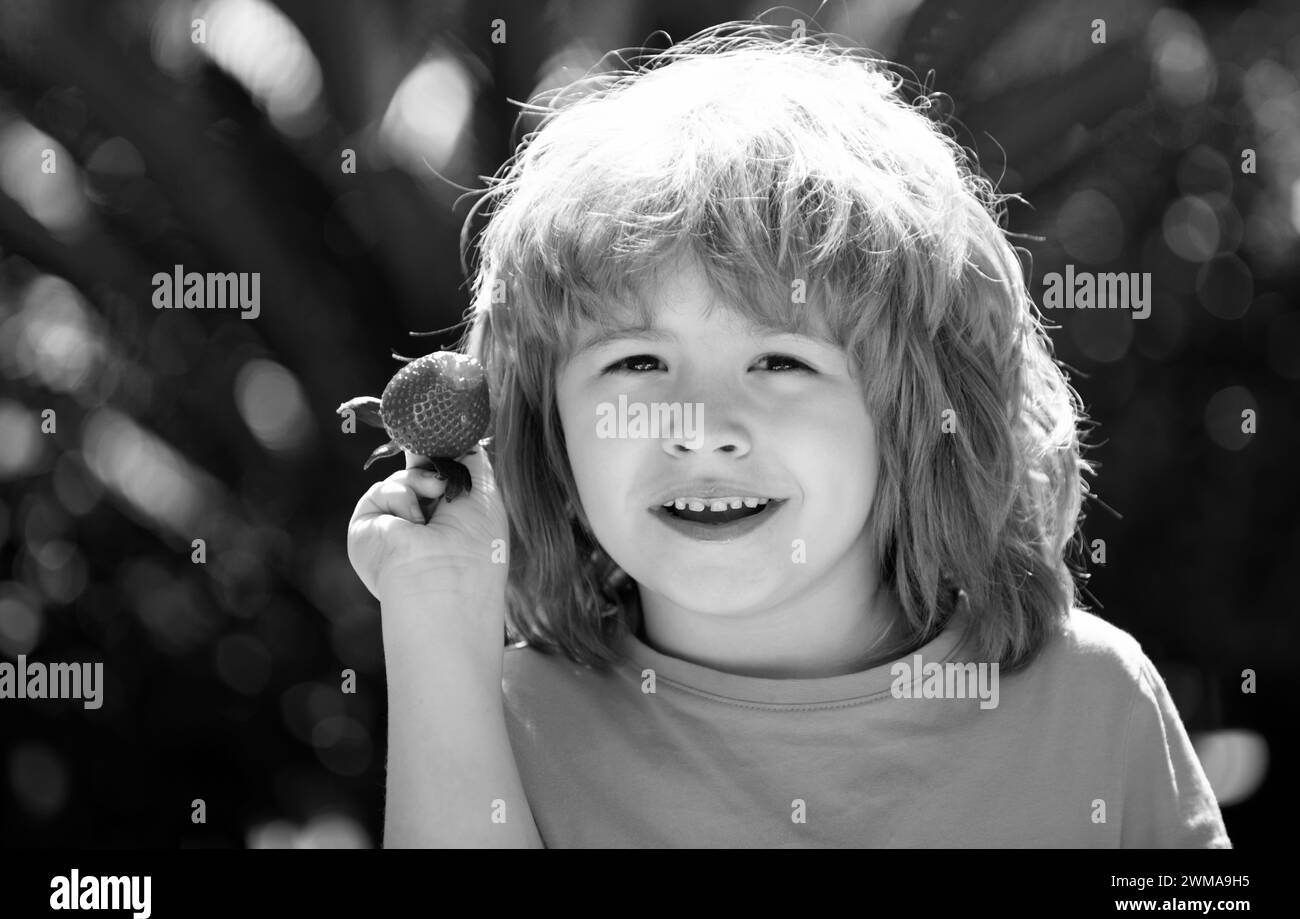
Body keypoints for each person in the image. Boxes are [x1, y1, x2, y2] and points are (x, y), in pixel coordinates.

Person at [347, 22, 1231, 848]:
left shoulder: (1093, 706)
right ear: (549, 423)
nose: (703, 430)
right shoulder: (496, 723)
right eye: (637, 365)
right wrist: (433, 606)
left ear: (914, 406)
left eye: (780, 362)